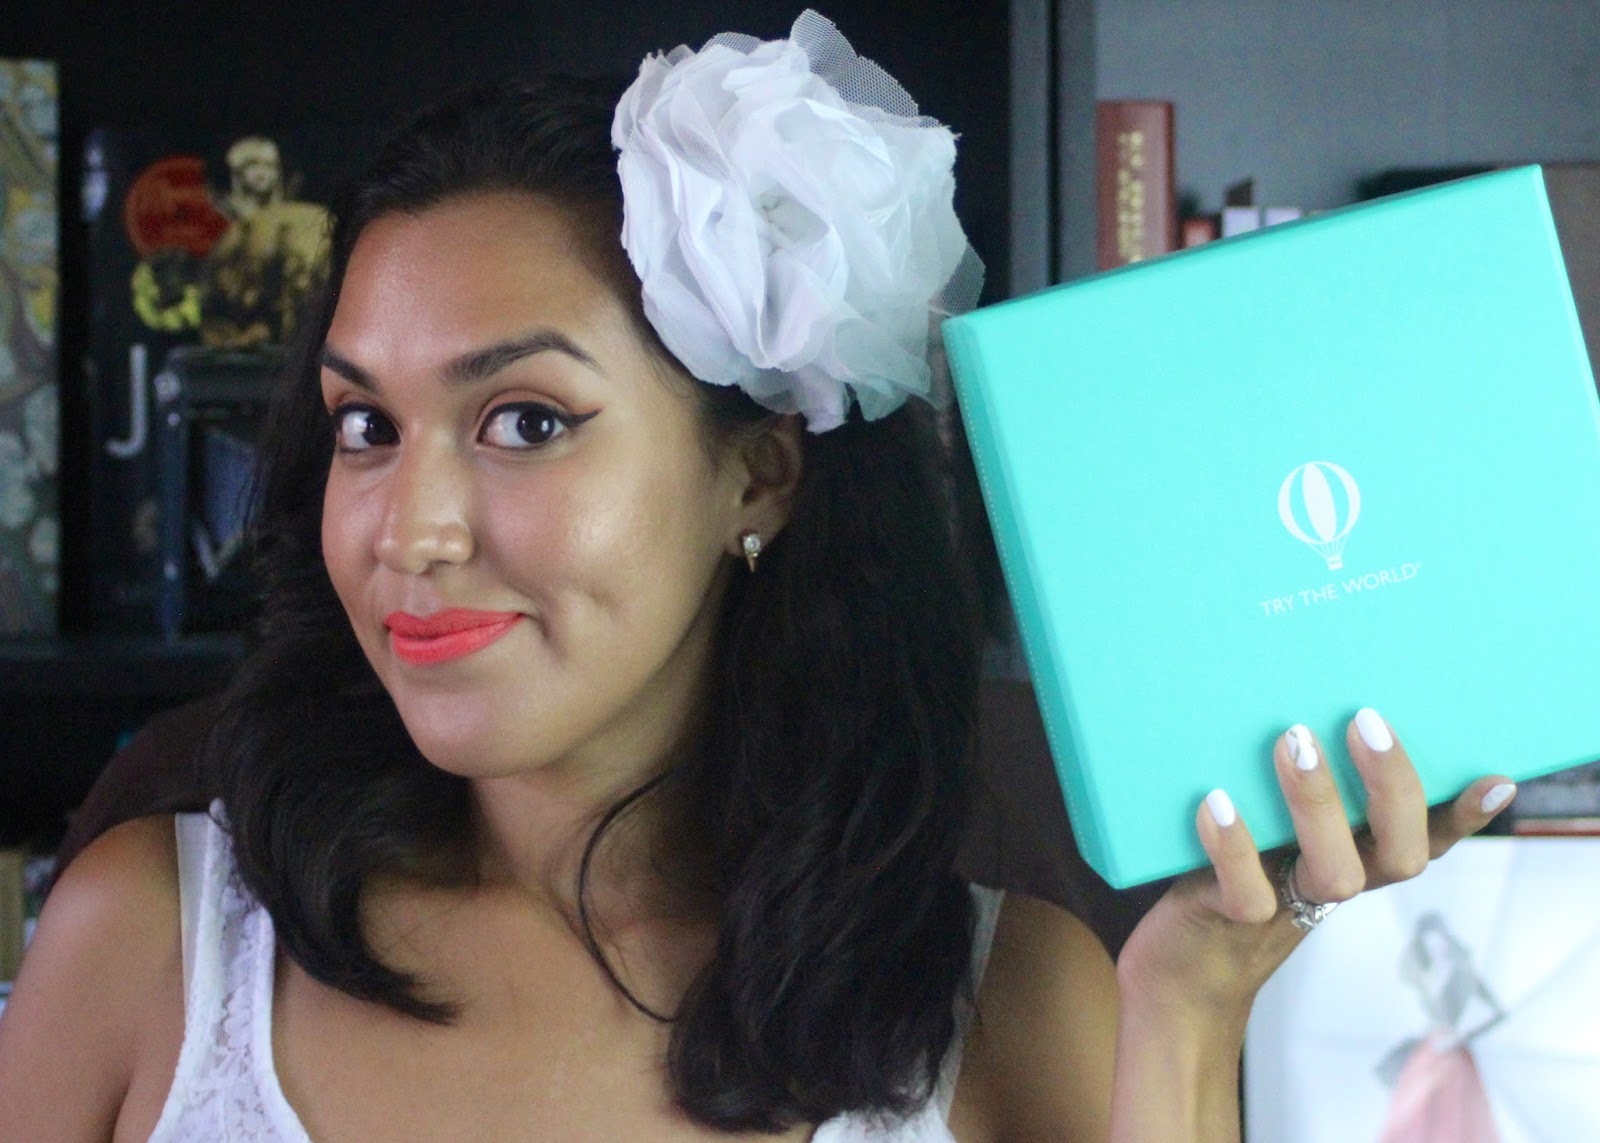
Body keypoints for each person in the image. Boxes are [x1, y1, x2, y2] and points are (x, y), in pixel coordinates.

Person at [0, 12, 1516, 1140]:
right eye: (364, 427)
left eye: (525, 421)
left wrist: (1192, 1003)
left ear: (760, 475)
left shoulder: (1008, 1005)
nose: (410, 528)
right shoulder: (150, 944)